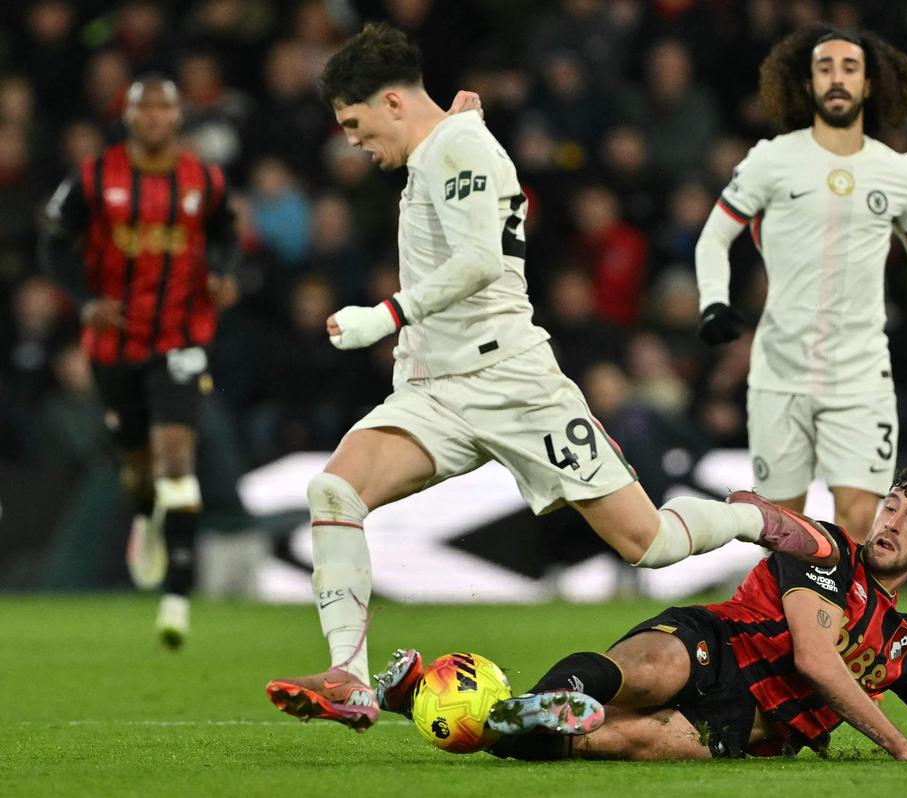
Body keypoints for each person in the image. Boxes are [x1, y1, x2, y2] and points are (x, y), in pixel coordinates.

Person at [264, 23, 840, 733]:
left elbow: (479, 260)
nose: (350, 140)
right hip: (435, 390)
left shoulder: (459, 147)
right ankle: (349, 677)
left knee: (649, 542)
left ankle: (760, 518)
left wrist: (385, 314)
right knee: (335, 490)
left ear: (390, 101)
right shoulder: (446, 144)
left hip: (514, 382)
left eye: (354, 123)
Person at [374, 462, 907, 763]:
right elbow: (819, 661)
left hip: (747, 726)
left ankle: (488, 717)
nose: (891, 522)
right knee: (646, 676)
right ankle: (527, 708)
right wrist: (898, 746)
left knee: (636, 737)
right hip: (715, 648)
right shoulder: (826, 552)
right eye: (891, 506)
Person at [693, 26, 907, 544]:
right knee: (780, 530)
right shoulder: (771, 159)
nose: (837, 78)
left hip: (860, 376)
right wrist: (713, 304)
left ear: (870, 85)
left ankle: (844, 628)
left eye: (850, 68)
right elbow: (714, 236)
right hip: (780, 372)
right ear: (808, 84)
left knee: (858, 521)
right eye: (825, 68)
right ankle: (788, 626)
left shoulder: (897, 172)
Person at [40, 75, 238, 647]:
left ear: (178, 118)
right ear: (128, 117)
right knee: (136, 468)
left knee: (177, 458)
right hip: (115, 346)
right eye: (143, 108)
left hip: (178, 337)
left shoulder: (205, 179)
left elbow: (225, 230)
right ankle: (146, 516)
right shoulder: (94, 177)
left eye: (164, 108)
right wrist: (85, 300)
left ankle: (176, 598)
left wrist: (223, 274)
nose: (154, 118)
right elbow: (53, 243)